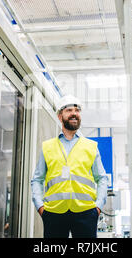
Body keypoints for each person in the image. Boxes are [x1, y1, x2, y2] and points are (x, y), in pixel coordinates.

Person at [31, 95, 109, 238]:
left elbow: (102, 178)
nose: (74, 113)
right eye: (69, 110)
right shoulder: (47, 147)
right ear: (60, 116)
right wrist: (40, 207)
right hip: (53, 213)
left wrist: (97, 207)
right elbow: (37, 179)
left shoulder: (91, 146)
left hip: (86, 213)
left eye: (77, 110)